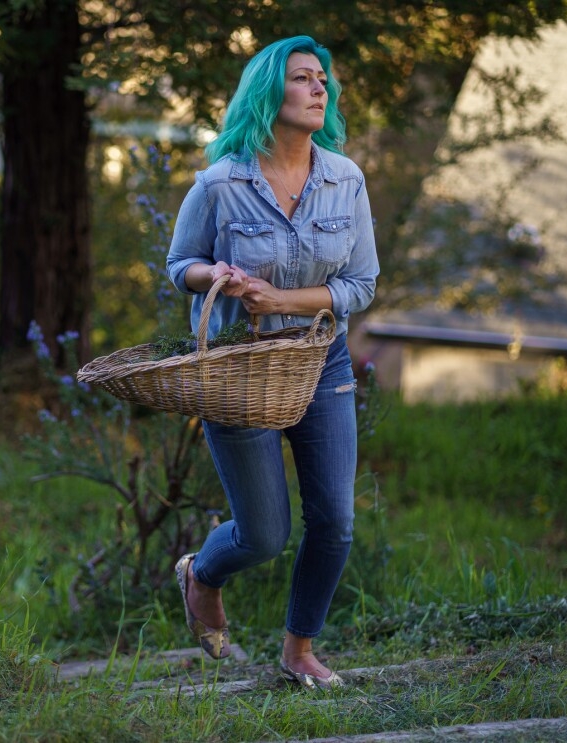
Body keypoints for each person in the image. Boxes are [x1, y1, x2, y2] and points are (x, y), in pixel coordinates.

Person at [165, 35, 379, 690]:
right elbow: (180, 265)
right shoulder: (220, 183)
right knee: (263, 535)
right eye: (303, 78)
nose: (320, 89)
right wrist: (215, 273)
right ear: (268, 93)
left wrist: (283, 297)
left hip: (322, 360)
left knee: (335, 518)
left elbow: (362, 284)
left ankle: (299, 650)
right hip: (242, 369)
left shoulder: (346, 179)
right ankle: (201, 572)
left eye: (323, 80)